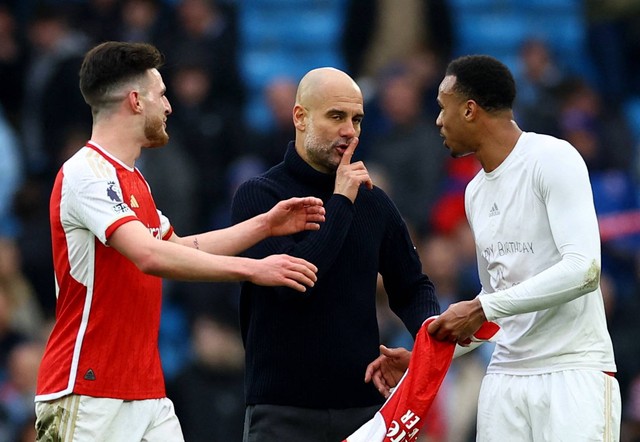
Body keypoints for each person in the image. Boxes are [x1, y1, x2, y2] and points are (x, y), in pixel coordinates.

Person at [33, 41, 326, 442]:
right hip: (89, 391)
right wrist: (255, 269)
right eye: (162, 95)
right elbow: (151, 256)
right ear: (136, 101)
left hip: (146, 392)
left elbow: (181, 248)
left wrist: (264, 226)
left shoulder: (135, 182)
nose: (169, 107)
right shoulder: (86, 172)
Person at [366, 54, 621, 441]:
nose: (437, 121)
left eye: (442, 108)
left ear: (469, 110)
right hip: (504, 379)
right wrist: (427, 358)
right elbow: (497, 300)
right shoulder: (474, 192)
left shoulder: (553, 159)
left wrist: (484, 306)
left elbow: (584, 270)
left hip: (572, 370)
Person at [230, 67, 440, 442]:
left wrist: (427, 349)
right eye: (337, 117)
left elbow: (412, 288)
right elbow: (297, 282)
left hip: (363, 412)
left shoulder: (373, 201)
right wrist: (341, 200)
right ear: (300, 117)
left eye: (357, 119)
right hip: (281, 414)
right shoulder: (260, 198)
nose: (350, 131)